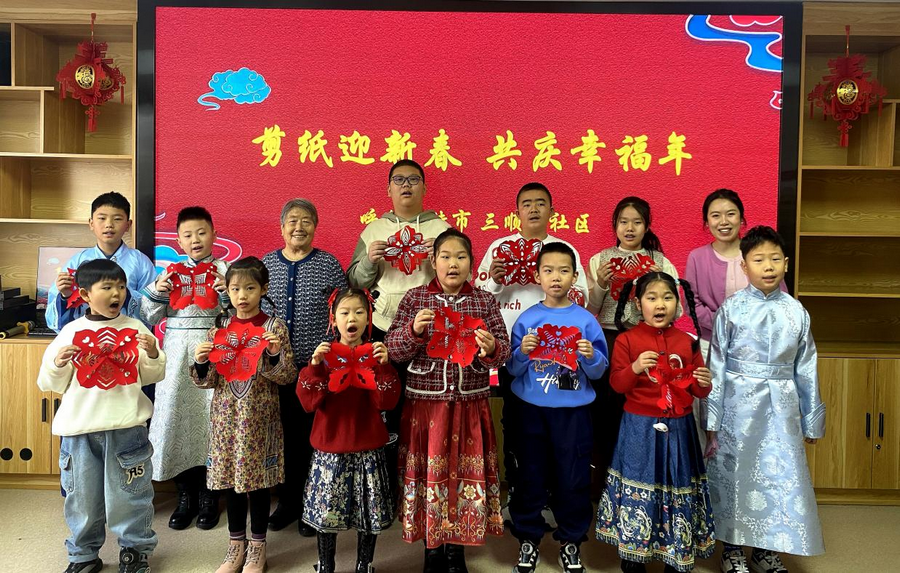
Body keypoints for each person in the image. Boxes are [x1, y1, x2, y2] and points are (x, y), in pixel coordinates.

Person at [386, 229, 510, 573]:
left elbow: (503, 350)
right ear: (433, 261)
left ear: (471, 262)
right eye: (445, 256)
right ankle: (432, 550)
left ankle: (457, 552)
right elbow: (394, 349)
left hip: (470, 403)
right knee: (429, 479)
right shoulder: (415, 299)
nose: (453, 264)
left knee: (463, 479)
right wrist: (413, 331)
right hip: (426, 407)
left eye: (460, 256)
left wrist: (491, 348)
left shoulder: (484, 301)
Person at [703, 226, 825, 573]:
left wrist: (812, 419)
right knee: (736, 475)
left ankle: (765, 550)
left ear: (786, 263)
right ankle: (732, 549)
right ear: (744, 266)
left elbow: (806, 367)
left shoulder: (796, 311)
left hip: (782, 408)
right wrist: (712, 419)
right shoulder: (731, 309)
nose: (768, 267)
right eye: (758, 260)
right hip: (738, 407)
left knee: (778, 476)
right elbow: (716, 365)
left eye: (775, 259)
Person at [37, 259, 166, 573]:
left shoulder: (135, 327)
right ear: (85, 294)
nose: (116, 293)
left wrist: (152, 353)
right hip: (80, 430)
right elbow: (48, 383)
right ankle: (83, 554)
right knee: (81, 498)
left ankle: (135, 551)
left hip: (127, 429)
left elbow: (153, 375)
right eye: (107, 287)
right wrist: (57, 363)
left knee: (130, 496)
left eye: (121, 287)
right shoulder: (71, 332)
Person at [473, 183, 589, 525]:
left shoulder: (563, 250)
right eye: (527, 204)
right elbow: (478, 297)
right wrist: (496, 280)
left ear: (552, 211)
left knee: (556, 426)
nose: (534, 209)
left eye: (541, 203)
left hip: (556, 355)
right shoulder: (499, 248)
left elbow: (583, 298)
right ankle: (519, 493)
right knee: (515, 423)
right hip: (511, 352)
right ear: (517, 212)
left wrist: (549, 279)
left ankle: (553, 496)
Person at [595, 272, 715, 573]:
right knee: (640, 486)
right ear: (638, 304)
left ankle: (676, 552)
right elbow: (617, 385)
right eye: (652, 298)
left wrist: (704, 382)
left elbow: (699, 391)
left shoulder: (688, 342)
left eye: (667, 297)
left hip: (679, 428)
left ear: (678, 303)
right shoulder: (626, 340)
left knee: (676, 485)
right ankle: (634, 556)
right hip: (639, 427)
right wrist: (635, 367)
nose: (660, 304)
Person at [347, 159, 451, 507]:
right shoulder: (373, 230)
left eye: (413, 180)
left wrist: (439, 257)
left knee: (427, 410)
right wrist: (368, 261)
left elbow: (458, 278)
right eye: (399, 180)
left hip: (430, 331)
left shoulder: (441, 229)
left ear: (424, 187)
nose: (406, 185)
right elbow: (355, 282)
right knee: (386, 409)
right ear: (389, 189)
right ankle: (388, 488)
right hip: (382, 328)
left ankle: (426, 485)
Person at [505, 242, 608, 573]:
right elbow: (512, 369)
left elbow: (599, 372)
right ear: (537, 276)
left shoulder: (586, 321)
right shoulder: (528, 319)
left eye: (564, 271)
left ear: (575, 277)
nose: (556, 277)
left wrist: (590, 356)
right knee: (530, 475)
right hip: (531, 411)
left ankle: (571, 540)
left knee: (573, 476)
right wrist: (522, 351)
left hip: (573, 413)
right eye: (548, 270)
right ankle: (528, 537)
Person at [191, 257, 298, 573]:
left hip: (260, 420)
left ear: (264, 289)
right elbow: (208, 380)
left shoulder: (274, 328)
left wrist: (274, 354)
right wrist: (201, 362)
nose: (242, 295)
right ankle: (235, 546)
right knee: (231, 482)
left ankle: (257, 548)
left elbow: (287, 375)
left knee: (258, 484)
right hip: (226, 419)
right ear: (227, 290)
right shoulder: (219, 328)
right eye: (235, 288)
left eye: (250, 288)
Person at [298, 287, 401, 573]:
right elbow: (308, 403)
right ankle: (326, 564)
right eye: (344, 312)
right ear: (333, 319)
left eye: (359, 312)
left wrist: (384, 367)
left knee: (369, 515)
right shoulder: (324, 356)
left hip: (368, 447)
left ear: (369, 319)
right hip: (330, 448)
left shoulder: (376, 355)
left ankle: (364, 564)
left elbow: (387, 402)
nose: (351, 318)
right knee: (325, 515)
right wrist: (315, 367)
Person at [262, 198, 347, 536]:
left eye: (306, 221)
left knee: (313, 437)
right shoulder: (267, 264)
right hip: (276, 369)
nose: (299, 227)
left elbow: (342, 312)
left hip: (316, 369)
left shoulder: (328, 264)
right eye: (293, 221)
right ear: (282, 227)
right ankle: (288, 502)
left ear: (315, 226)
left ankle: (314, 505)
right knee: (283, 437)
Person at [140, 206, 227, 531]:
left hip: (213, 352)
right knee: (177, 422)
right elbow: (150, 316)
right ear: (178, 240)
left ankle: (209, 497)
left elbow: (239, 316)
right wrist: (159, 291)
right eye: (188, 235)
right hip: (176, 357)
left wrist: (226, 293)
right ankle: (184, 497)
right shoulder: (170, 272)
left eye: (202, 232)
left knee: (210, 423)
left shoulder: (225, 271)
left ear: (214, 234)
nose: (195, 240)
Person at [586, 196, 679, 488]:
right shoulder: (599, 260)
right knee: (607, 411)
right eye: (623, 222)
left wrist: (655, 289)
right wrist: (601, 284)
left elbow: (678, 309)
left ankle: (645, 477)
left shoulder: (660, 262)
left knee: (646, 409)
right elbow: (589, 309)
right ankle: (603, 484)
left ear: (646, 226)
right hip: (610, 340)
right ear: (615, 225)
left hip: (650, 341)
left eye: (637, 222)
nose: (630, 228)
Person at [685, 189, 786, 357]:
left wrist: (752, 326)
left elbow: (780, 297)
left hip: (758, 343)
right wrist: (725, 325)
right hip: (712, 343)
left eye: (731, 214)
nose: (724, 221)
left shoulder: (759, 254)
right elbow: (691, 304)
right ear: (707, 222)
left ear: (741, 218)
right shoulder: (697, 257)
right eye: (715, 216)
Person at [46, 191, 157, 332]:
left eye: (117, 219)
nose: (109, 224)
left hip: (127, 337)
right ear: (91, 223)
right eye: (102, 218)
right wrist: (64, 296)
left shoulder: (140, 262)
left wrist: (125, 292)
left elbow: (152, 310)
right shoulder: (77, 262)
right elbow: (56, 318)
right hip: (86, 337)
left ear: (128, 225)